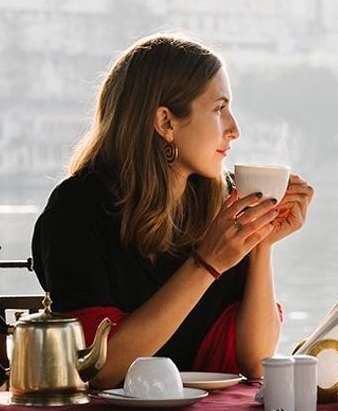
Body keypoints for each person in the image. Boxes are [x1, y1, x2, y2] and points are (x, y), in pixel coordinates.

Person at [31, 34, 313, 389]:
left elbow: (255, 362)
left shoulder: (224, 203)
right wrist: (206, 264)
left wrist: (260, 245)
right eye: (218, 109)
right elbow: (97, 370)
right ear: (166, 122)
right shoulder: (77, 209)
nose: (234, 129)